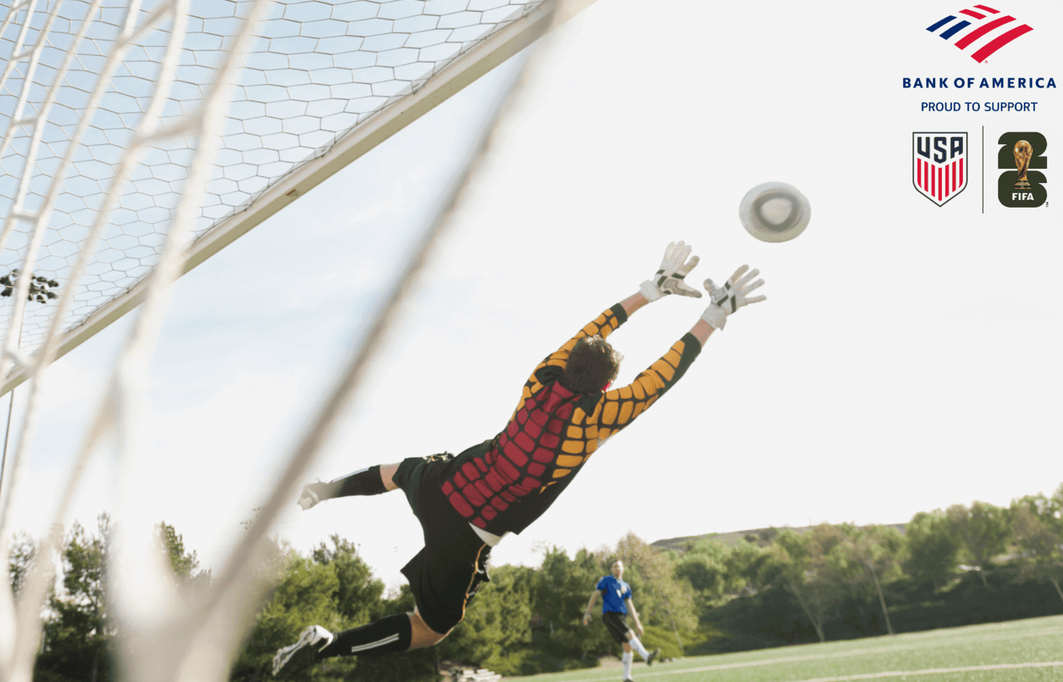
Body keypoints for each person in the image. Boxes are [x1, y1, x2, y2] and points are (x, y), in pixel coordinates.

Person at [272, 242, 765, 676]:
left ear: (569, 362)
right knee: (433, 628)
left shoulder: (541, 376)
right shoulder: (600, 415)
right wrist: (715, 313)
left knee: (398, 473)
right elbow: (663, 376)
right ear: (607, 385)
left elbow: (594, 331)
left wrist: (648, 292)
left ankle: (322, 490)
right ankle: (329, 644)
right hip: (469, 530)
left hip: (448, 482)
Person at [584, 559, 658, 681]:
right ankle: (646, 656)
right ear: (611, 569)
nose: (617, 569)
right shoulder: (606, 580)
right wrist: (588, 612)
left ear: (623, 568)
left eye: (619, 566)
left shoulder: (626, 586)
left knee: (627, 646)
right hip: (610, 615)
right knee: (630, 634)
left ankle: (626, 677)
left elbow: (630, 606)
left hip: (621, 616)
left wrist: (638, 623)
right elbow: (595, 595)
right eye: (614, 567)